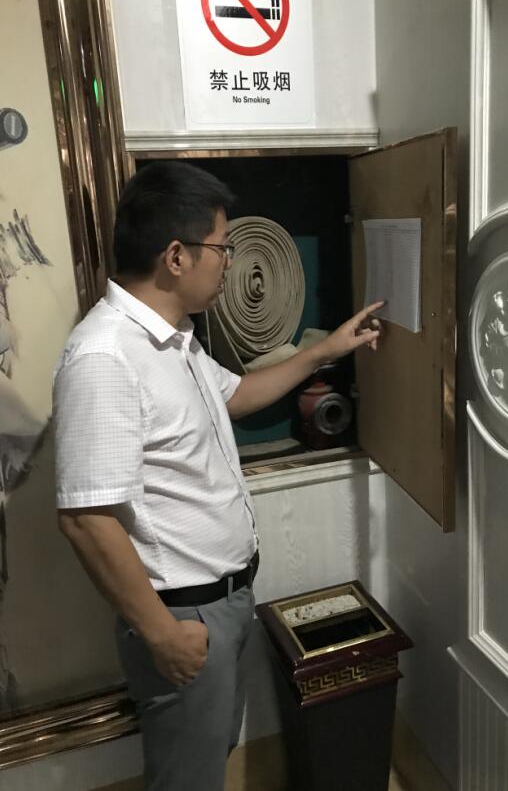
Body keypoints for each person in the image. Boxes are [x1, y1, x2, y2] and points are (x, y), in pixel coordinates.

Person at [52, 161, 382, 791]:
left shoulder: (176, 338)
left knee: (210, 759)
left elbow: (234, 395)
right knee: (187, 779)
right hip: (183, 616)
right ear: (176, 257)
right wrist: (163, 635)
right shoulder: (104, 357)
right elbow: (86, 519)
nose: (230, 261)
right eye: (222, 247)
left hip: (223, 602)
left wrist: (323, 349)